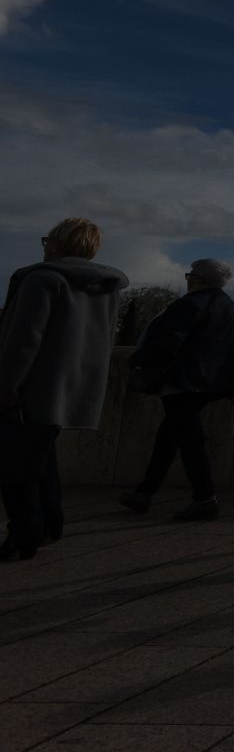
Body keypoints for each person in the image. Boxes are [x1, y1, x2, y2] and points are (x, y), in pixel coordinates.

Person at [0, 219, 128, 560]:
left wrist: (6, 388)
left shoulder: (42, 279)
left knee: (15, 468)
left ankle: (25, 536)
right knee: (40, 460)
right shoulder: (106, 286)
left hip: (32, 389)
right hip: (71, 389)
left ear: (56, 243)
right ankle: (49, 526)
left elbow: (23, 342)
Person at [118, 259, 234, 521]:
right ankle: (145, 491)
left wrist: (140, 361)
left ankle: (204, 497)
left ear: (197, 279)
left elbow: (168, 341)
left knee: (188, 440)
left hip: (183, 382)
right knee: (171, 435)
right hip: (211, 383)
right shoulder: (229, 307)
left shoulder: (189, 304)